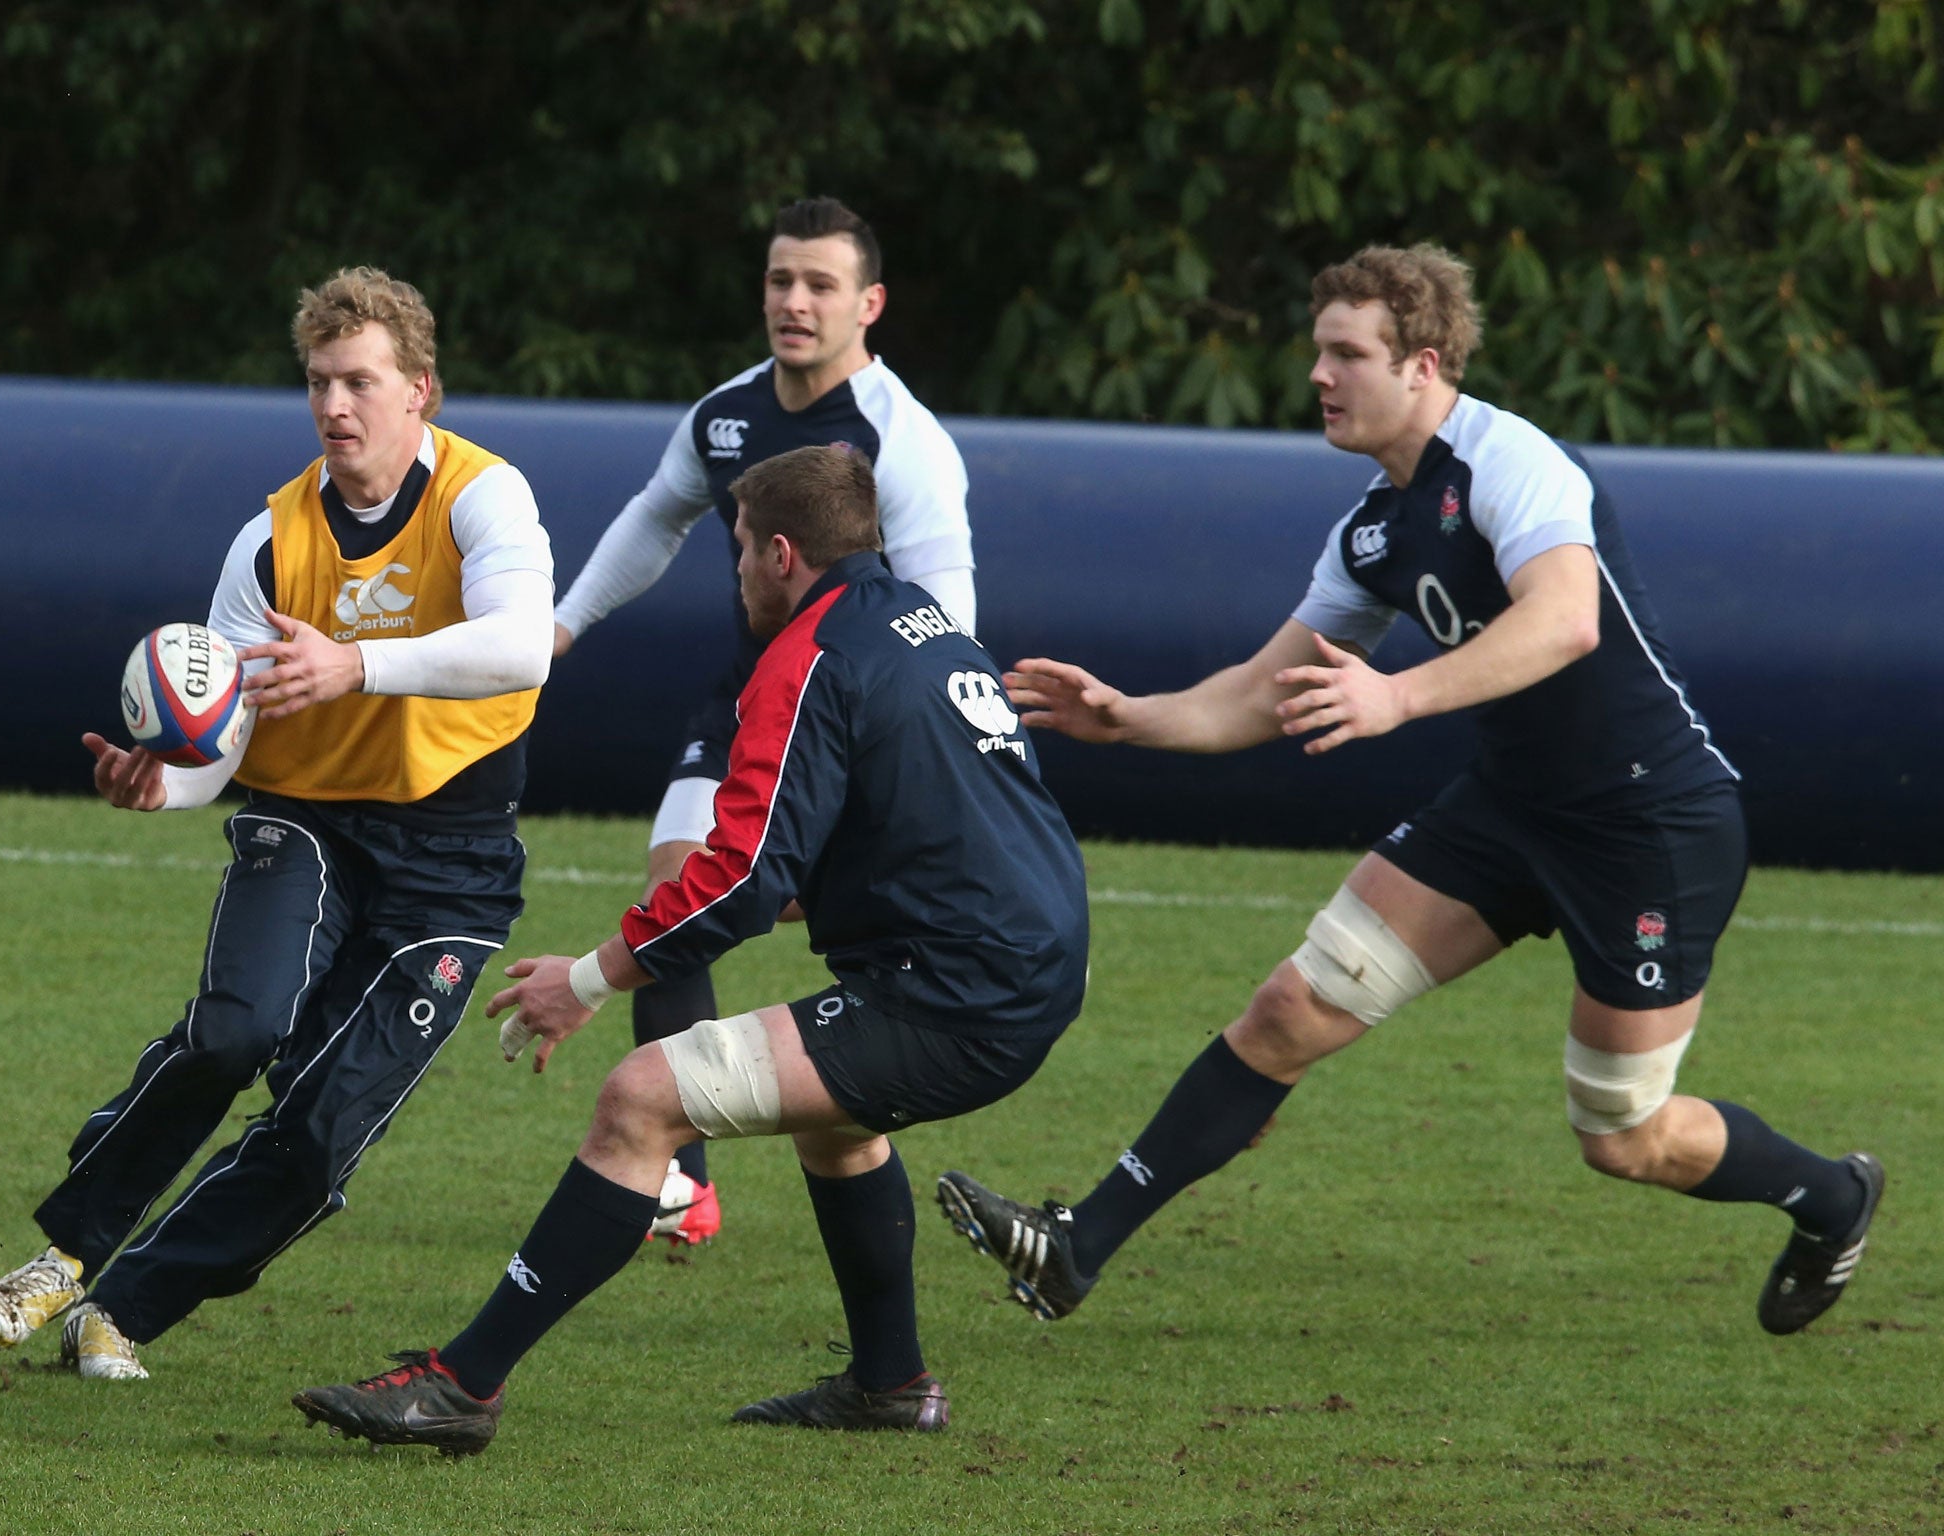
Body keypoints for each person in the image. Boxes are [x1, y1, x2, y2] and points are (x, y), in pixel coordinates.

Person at [937, 243, 1883, 1339]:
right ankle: (1073, 1249)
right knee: (1288, 1009)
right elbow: (1257, 690)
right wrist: (1129, 715)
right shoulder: (1371, 530)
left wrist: (1396, 699)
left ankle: (1829, 1196)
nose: (1319, 377)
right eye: (1317, 353)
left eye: (1347, 354)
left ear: (1422, 364)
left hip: (1646, 824)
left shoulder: (1508, 462)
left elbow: (1563, 618)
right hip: (1507, 810)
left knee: (1620, 1132)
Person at [290, 444, 1085, 1452]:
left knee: (641, 1098)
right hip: (1032, 961)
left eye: (742, 551)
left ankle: (459, 1386)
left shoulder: (808, 656)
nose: (740, 572)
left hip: (960, 993)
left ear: (783, 554)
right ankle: (888, 1385)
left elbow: (744, 877)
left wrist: (585, 980)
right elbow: (912, 817)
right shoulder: (922, 626)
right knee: (833, 1119)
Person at [0, 267, 556, 1379]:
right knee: (237, 1029)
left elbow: (522, 644)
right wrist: (165, 784)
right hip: (310, 827)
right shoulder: (270, 543)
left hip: (458, 860)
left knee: (324, 1131)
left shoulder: (487, 497)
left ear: (419, 390)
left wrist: (357, 664)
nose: (337, 407)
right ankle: (66, 1252)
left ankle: (124, 1309)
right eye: (320, 384)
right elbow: (220, 743)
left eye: (361, 383)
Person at [547, 197, 974, 1244]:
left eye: (820, 284)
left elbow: (947, 614)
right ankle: (679, 1185)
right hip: (746, 705)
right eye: (781, 279)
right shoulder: (727, 413)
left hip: (855, 728)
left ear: (868, 304)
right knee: (672, 897)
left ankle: (851, 1107)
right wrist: (560, 628)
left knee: (813, 925)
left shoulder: (903, 443)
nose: (793, 301)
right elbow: (658, 513)